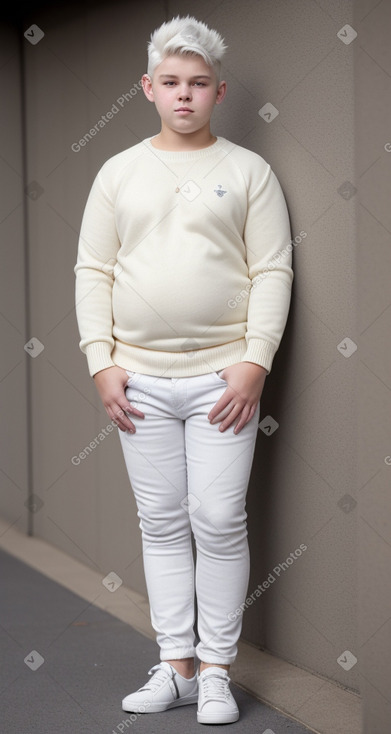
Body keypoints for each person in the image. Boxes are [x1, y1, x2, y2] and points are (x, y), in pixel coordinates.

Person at [74, 14, 293, 726]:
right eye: (170, 82)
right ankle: (174, 666)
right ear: (147, 87)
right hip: (136, 380)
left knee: (218, 518)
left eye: (198, 83)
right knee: (162, 521)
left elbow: (271, 269)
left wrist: (254, 361)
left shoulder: (247, 171)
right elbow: (92, 271)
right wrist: (100, 363)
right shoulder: (118, 173)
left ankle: (217, 673)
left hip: (223, 381)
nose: (184, 95)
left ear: (218, 91)